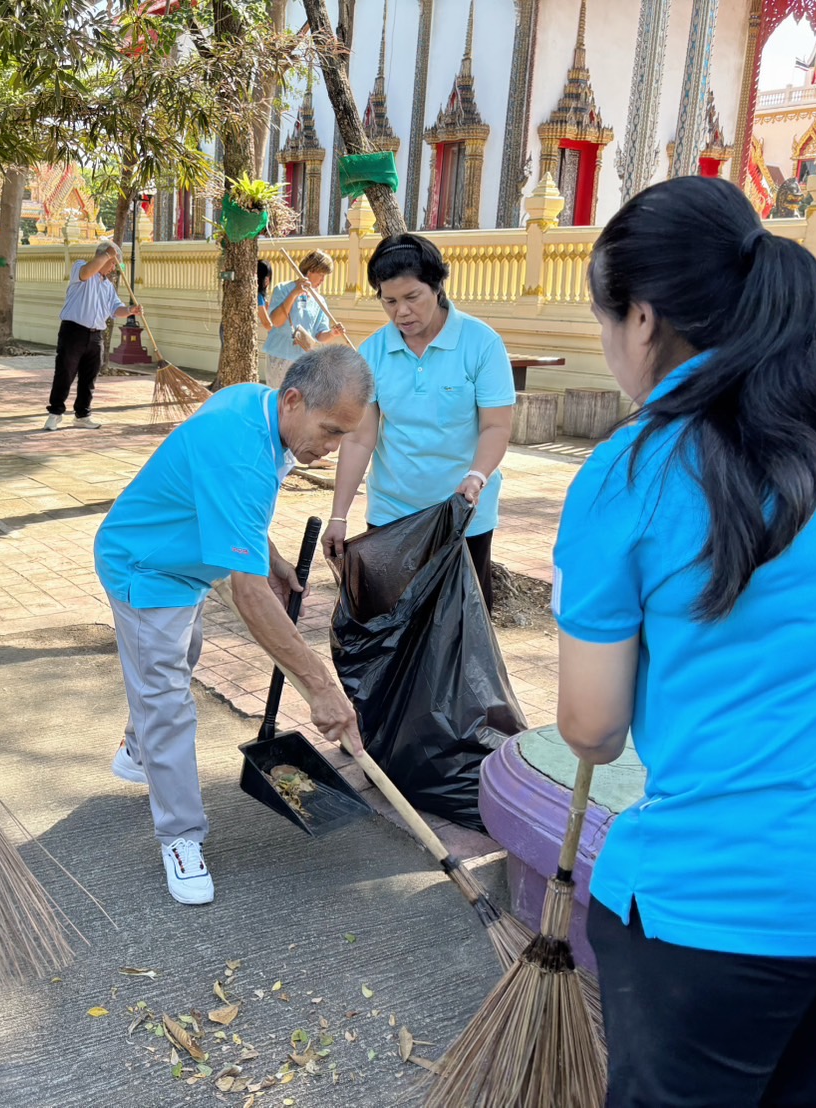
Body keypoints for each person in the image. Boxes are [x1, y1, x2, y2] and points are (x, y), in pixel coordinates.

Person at [551, 175, 816, 1105]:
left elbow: (590, 729)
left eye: (602, 317)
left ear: (644, 319)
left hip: (735, 903)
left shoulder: (632, 469)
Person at [95, 347, 372, 905]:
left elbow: (224, 500)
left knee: (178, 657)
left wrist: (263, 552)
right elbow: (248, 597)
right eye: (331, 431)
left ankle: (135, 746)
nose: (333, 449)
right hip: (147, 568)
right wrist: (320, 686)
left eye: (345, 435)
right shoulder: (241, 449)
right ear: (293, 400)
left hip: (187, 561)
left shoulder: (257, 405)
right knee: (169, 701)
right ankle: (180, 837)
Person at [322, 234, 515, 608]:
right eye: (389, 301)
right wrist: (339, 515)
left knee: (460, 633)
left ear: (437, 288)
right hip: (392, 515)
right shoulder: (374, 351)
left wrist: (476, 477)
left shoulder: (481, 344)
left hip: (462, 515)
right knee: (392, 628)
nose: (401, 312)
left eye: (412, 298)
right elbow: (361, 439)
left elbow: (496, 426)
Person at [44, 239, 143, 431]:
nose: (113, 267)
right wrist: (107, 253)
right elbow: (86, 273)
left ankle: (83, 414)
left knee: (89, 378)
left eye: (115, 263)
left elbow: (116, 310)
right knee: (65, 373)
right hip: (74, 331)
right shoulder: (81, 267)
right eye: (113, 262)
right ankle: (55, 413)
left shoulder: (107, 286)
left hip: (96, 335)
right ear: (102, 257)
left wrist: (131, 310)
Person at [260, 251, 347, 386]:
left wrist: (332, 333)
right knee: (278, 401)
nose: (323, 280)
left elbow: (320, 336)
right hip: (279, 356)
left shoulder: (320, 301)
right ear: (311, 270)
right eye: (321, 275)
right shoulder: (283, 289)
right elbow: (276, 322)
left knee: (301, 404)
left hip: (304, 362)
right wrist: (294, 293)